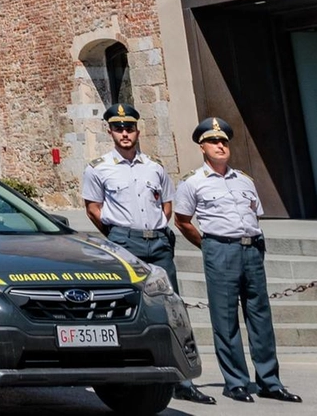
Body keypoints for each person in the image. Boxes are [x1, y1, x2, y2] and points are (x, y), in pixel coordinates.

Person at [81, 104, 212, 406]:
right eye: (118, 128)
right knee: (124, 307)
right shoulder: (98, 168)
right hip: (124, 240)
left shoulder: (154, 166)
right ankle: (128, 373)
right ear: (110, 131)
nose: (124, 133)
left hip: (158, 242)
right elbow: (93, 209)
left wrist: (153, 230)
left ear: (138, 130)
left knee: (171, 307)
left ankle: (182, 379)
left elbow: (166, 205)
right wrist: (119, 234)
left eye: (129, 127)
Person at [174, 118, 302, 404]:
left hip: (251, 249)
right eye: (213, 142)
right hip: (221, 250)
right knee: (226, 318)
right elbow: (182, 220)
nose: (220, 146)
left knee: (260, 317)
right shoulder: (193, 183)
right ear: (202, 147)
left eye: (224, 142)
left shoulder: (244, 180)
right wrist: (207, 245)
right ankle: (236, 382)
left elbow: (253, 214)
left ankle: (269, 380)